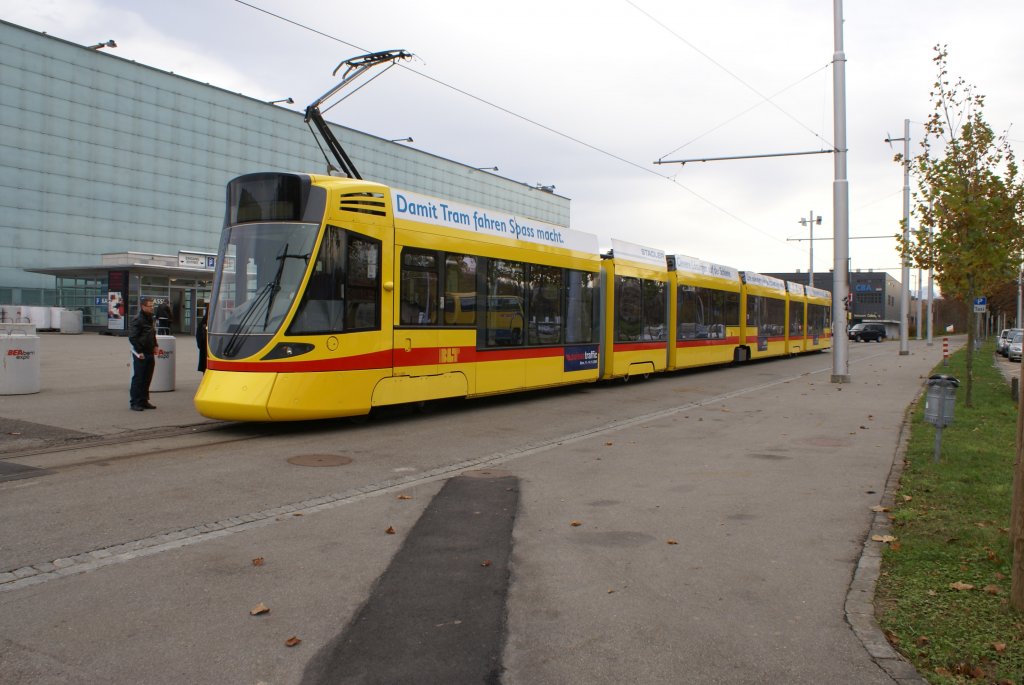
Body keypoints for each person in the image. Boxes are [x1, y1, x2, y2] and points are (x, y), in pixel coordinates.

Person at [128, 297, 158, 411]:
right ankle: (135, 402)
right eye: (150, 306)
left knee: (147, 378)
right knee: (139, 378)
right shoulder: (138, 319)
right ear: (143, 306)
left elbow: (152, 333)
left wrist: (155, 345)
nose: (152, 308)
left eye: (152, 306)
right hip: (141, 353)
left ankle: (144, 400)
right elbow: (133, 337)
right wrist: (139, 351)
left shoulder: (150, 318)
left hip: (150, 351)